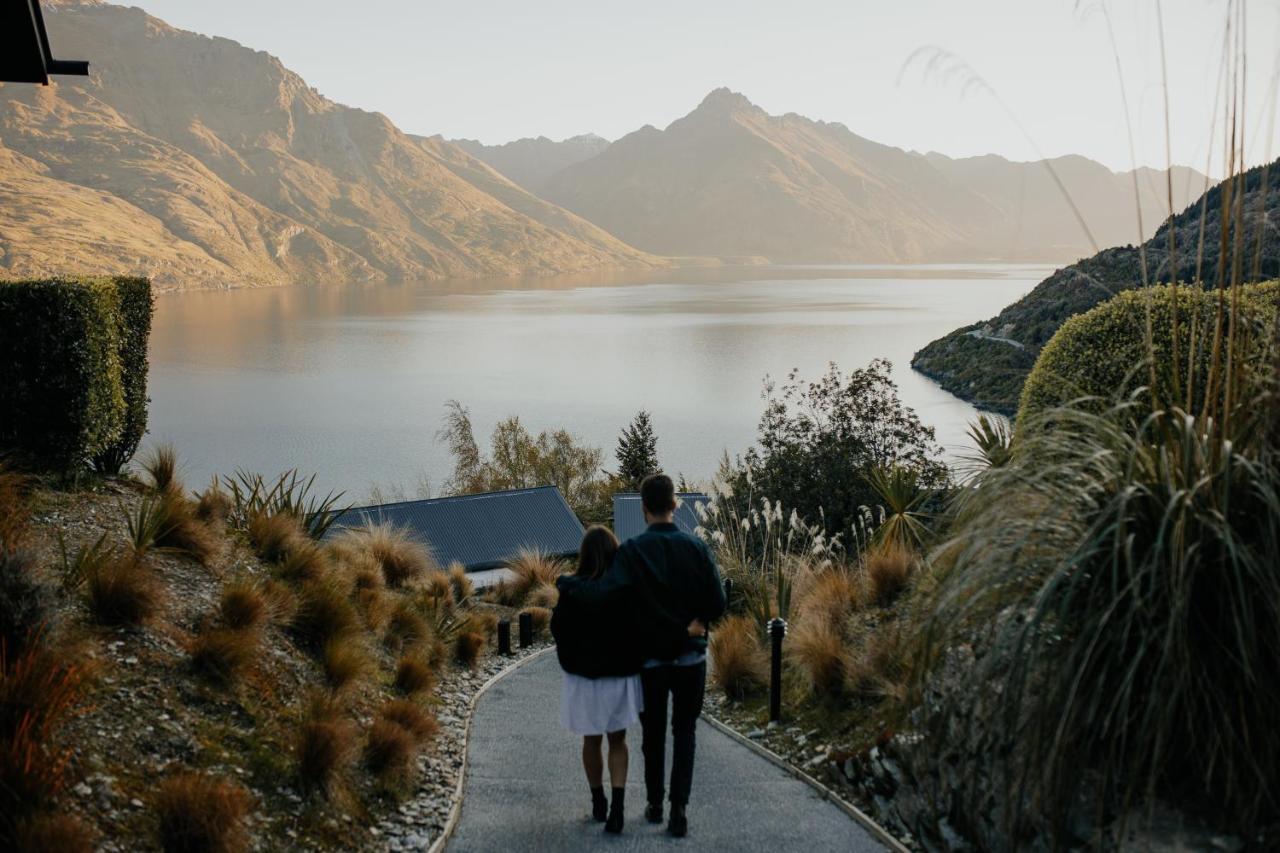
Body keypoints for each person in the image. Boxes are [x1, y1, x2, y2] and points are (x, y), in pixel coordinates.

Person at [570, 473, 726, 838]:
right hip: (691, 659)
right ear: (674, 504)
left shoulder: (632, 552)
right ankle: (679, 810)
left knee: (653, 734)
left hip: (651, 661)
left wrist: (568, 585)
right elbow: (717, 602)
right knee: (684, 732)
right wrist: (691, 624)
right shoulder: (697, 549)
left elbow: (613, 598)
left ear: (643, 509)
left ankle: (655, 803)